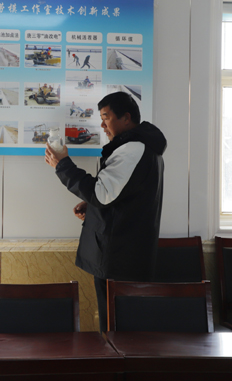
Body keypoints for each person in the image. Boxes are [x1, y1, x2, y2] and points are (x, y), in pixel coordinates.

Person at [44, 91, 166, 332]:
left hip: (118, 258)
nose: (102, 125)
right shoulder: (139, 147)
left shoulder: (132, 150)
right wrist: (92, 208)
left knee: (115, 330)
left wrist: (62, 165)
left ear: (126, 118)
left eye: (106, 117)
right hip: (124, 254)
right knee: (120, 326)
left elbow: (101, 194)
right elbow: (120, 195)